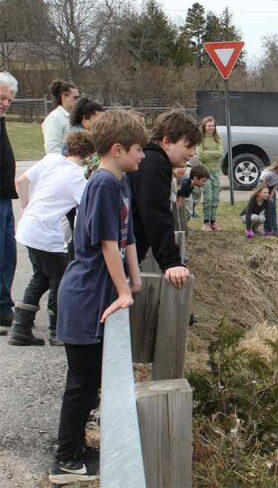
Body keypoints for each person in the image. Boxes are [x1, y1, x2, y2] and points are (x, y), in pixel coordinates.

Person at [49, 109, 147, 484]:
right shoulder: (103, 183)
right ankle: (65, 460)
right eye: (138, 149)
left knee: (91, 381)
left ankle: (77, 447)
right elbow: (108, 244)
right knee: (81, 383)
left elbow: (128, 237)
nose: (142, 156)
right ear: (118, 149)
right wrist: (122, 290)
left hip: (99, 294)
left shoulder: (120, 180)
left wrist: (134, 280)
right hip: (85, 297)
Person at [9, 131, 94, 346]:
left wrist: (26, 206)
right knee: (61, 279)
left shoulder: (51, 159)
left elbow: (21, 181)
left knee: (41, 277)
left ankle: (21, 328)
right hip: (46, 234)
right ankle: (57, 330)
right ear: (89, 154)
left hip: (28, 226)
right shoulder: (77, 177)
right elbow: (88, 207)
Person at [128, 110, 200, 288]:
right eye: (189, 146)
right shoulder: (154, 163)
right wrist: (171, 262)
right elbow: (156, 214)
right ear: (167, 142)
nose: (192, 152)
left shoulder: (151, 159)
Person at [0, 71, 18, 335]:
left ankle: (4, 305)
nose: (4, 103)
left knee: (8, 254)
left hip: (5, 196)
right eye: (1, 98)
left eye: (9, 101)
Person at [198, 116, 223, 232]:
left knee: (215, 197)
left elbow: (220, 153)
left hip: (216, 170)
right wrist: (214, 154)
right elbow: (200, 155)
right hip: (205, 171)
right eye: (209, 125)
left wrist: (208, 152)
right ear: (204, 126)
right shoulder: (201, 139)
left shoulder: (218, 138)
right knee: (207, 197)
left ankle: (213, 221)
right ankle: (206, 222)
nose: (211, 127)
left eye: (213, 125)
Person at [42, 80, 79, 155]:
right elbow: (52, 148)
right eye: (75, 98)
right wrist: (68, 162)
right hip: (61, 164)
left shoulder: (71, 117)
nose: (78, 101)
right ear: (64, 97)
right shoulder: (55, 117)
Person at [258, 157, 278, 236]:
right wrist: (266, 194)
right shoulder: (271, 173)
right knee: (267, 208)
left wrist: (271, 195)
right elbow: (265, 182)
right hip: (263, 184)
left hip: (272, 186)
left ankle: (275, 230)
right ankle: (267, 230)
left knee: (273, 207)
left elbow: (276, 184)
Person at [176, 165, 210, 230]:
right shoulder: (185, 185)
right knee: (185, 212)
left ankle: (182, 226)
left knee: (188, 211)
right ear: (195, 178)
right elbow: (179, 203)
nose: (205, 183)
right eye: (203, 181)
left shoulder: (191, 185)